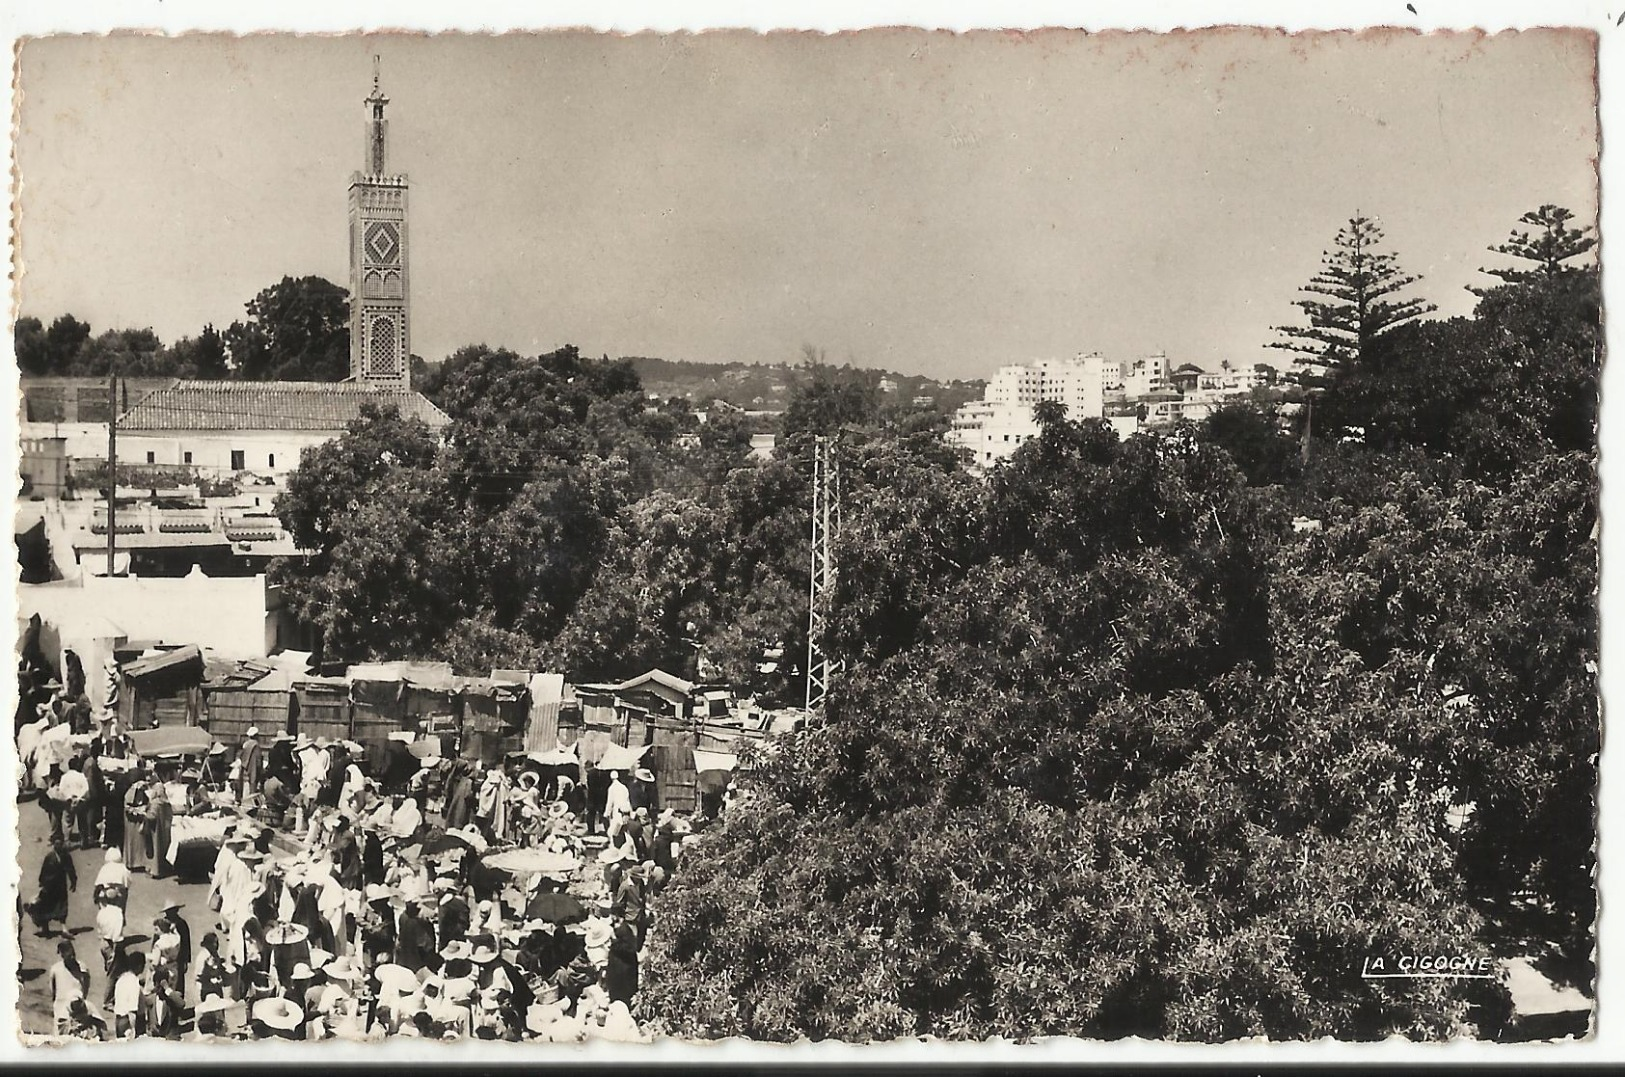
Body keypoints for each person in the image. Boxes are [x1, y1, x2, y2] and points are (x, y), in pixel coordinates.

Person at [29, 836, 76, 936]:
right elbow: (44, 870)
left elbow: (70, 869)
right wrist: (42, 882)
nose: (58, 846)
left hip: (61, 885)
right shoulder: (49, 857)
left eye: (60, 843)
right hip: (49, 886)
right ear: (54, 845)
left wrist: (73, 881)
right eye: (57, 844)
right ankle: (45, 928)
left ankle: (64, 928)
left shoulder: (66, 856)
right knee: (46, 906)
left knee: (62, 906)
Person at [47, 938, 90, 1035]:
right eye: (63, 953)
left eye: (70, 952)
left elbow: (87, 984)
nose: (68, 956)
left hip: (78, 1009)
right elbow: (52, 990)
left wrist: (82, 999)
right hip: (61, 1009)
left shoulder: (82, 968)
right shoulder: (55, 969)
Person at [111, 950, 145, 1039]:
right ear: (139, 966)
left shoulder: (121, 979)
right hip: (128, 1021)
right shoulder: (134, 982)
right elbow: (132, 1009)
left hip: (118, 1020)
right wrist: (133, 1029)